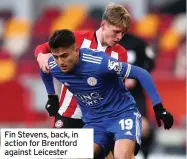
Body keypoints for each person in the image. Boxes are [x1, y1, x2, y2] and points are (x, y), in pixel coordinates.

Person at [40, 29, 174, 159]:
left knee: (122, 156)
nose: (60, 62)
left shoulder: (100, 63)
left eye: (64, 56)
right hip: (95, 122)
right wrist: (52, 96)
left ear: (76, 50)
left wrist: (159, 108)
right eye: (56, 57)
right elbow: (44, 70)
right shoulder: (54, 65)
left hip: (121, 115)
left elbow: (141, 73)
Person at [34, 3, 130, 129]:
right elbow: (42, 48)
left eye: (123, 33)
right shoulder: (77, 38)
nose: (119, 37)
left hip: (99, 119)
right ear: (103, 25)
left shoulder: (121, 53)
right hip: (69, 114)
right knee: (58, 149)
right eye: (116, 32)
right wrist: (41, 56)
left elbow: (118, 89)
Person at [119, 33, 156, 159]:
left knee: (143, 127)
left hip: (135, 94)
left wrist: (135, 76)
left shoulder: (138, 42)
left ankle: (145, 154)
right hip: (113, 95)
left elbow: (150, 63)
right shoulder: (104, 44)